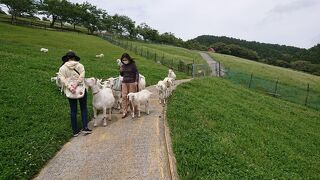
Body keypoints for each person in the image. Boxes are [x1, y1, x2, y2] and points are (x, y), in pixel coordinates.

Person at [58, 51, 92, 136]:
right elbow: (82, 76)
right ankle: (85, 127)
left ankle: (75, 131)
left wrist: (70, 87)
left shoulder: (62, 68)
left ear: (67, 58)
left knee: (73, 110)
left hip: (70, 90)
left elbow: (62, 79)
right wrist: (76, 84)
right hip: (80, 88)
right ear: (74, 57)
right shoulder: (80, 65)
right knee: (83, 108)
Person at [119, 53, 139, 118]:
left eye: (125, 59)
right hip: (124, 82)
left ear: (128, 59)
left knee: (132, 97)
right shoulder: (122, 65)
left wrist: (136, 81)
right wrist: (121, 71)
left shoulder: (133, 65)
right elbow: (122, 75)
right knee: (124, 96)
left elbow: (136, 73)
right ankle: (124, 111)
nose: (124, 61)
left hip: (132, 82)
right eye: (123, 60)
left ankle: (134, 110)